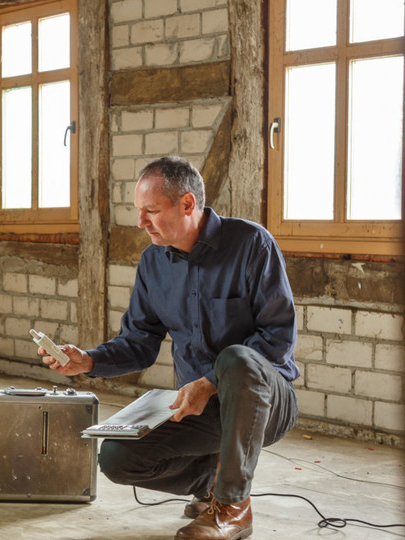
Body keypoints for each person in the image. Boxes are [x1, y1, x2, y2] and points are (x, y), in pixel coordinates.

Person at [40, 155, 299, 540]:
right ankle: (213, 481)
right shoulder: (152, 263)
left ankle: (233, 506)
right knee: (116, 458)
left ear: (187, 205)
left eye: (151, 211)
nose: (141, 222)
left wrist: (209, 381)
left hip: (266, 403)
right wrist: (89, 361)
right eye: (138, 211)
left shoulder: (251, 244)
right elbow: (139, 343)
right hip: (198, 408)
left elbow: (277, 338)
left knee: (236, 358)